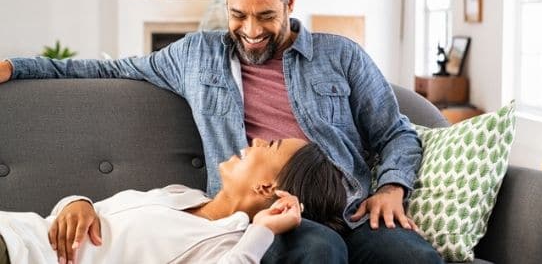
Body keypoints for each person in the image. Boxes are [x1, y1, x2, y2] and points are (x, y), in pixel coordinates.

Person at [0, 0, 442, 263]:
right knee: (319, 249)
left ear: (290, 2)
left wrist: (391, 188)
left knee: (415, 256)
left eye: (266, 15)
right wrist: (16, 68)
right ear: (227, 5)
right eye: (238, 14)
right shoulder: (195, 55)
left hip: (351, 208)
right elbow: (108, 69)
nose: (251, 29)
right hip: (261, 215)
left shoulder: (340, 55)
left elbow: (395, 132)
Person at [0, 139, 347, 264]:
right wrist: (78, 203)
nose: (254, 139)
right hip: (16, 227)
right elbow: (105, 215)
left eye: (269, 146)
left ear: (266, 187)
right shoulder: (184, 195)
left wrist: (263, 229)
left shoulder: (224, 243)